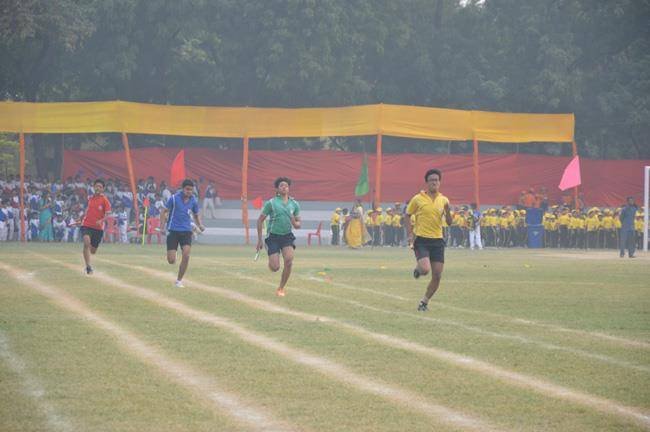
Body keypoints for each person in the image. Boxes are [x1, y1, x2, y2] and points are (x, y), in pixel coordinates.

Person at [405, 168, 453, 312]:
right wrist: (410, 234)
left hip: (438, 241)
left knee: (437, 275)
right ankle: (418, 270)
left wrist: (448, 211)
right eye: (431, 180)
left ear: (440, 182)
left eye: (436, 180)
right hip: (422, 240)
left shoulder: (444, 200)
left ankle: (424, 302)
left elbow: (449, 222)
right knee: (425, 269)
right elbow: (407, 215)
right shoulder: (417, 199)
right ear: (426, 182)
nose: (434, 182)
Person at [256, 177, 301, 297]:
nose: (284, 187)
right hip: (273, 237)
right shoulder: (271, 203)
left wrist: (294, 222)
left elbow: (298, 225)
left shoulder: (295, 204)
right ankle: (271, 261)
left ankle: (281, 288)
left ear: (289, 188)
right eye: (281, 185)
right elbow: (260, 220)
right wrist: (259, 240)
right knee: (275, 267)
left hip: (287, 236)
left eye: (286, 185)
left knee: (289, 260)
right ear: (277, 189)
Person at [160, 178, 205, 288]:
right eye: (187, 189)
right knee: (171, 261)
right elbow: (164, 211)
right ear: (182, 189)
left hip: (186, 231)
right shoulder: (174, 198)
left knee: (186, 255)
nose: (189, 192)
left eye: (191, 190)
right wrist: (162, 226)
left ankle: (179, 281)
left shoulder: (193, 200)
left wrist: (200, 225)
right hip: (173, 231)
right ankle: (173, 254)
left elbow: (195, 214)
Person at [80, 179, 112, 275]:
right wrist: (82, 216)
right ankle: (88, 267)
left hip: (98, 229)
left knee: (93, 251)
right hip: (86, 225)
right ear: (93, 187)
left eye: (100, 187)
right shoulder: (90, 198)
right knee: (86, 243)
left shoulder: (105, 200)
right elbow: (87, 209)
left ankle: (87, 253)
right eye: (96, 186)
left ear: (103, 189)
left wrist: (101, 221)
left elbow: (108, 215)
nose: (98, 188)